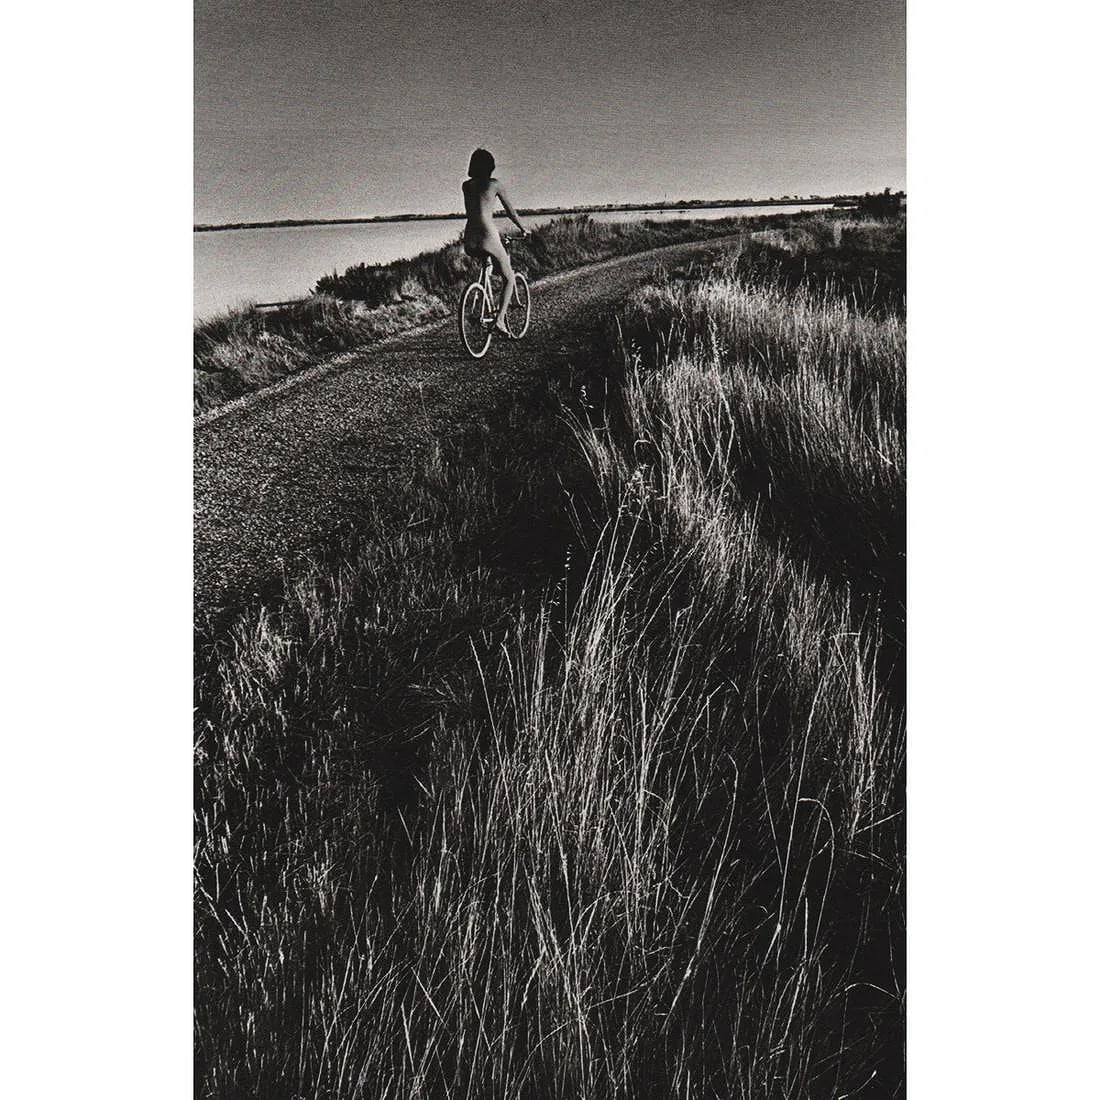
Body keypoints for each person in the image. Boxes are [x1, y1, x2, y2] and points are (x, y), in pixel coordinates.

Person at [462, 148, 528, 336]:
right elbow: (511, 212)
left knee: (487, 265)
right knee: (509, 277)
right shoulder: (495, 184)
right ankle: (499, 320)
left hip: (470, 236)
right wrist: (523, 228)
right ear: (490, 167)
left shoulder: (466, 186)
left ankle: (481, 302)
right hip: (487, 234)